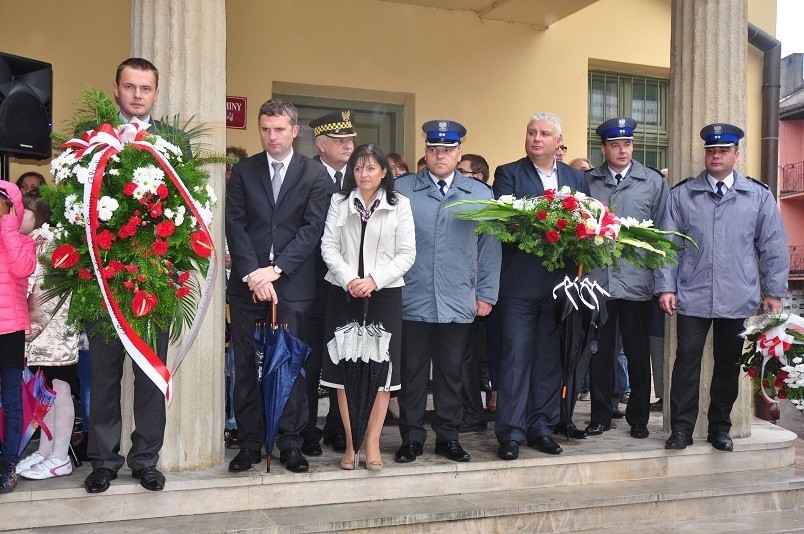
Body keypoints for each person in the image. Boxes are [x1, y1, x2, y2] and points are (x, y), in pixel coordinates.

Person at [656, 123, 789, 452]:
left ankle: (720, 427)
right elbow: (668, 247)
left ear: (736, 154)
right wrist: (665, 287)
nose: (716, 156)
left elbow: (772, 246)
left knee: (728, 365)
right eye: (711, 151)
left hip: (738, 295)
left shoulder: (757, 195)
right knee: (686, 362)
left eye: (723, 150)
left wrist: (773, 292)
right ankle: (682, 429)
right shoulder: (682, 194)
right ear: (706, 154)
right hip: (691, 294)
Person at [83, 57, 173, 494]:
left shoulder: (173, 143)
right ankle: (103, 460)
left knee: (150, 376)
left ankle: (145, 459)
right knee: (103, 375)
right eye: (130, 86)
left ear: (156, 93)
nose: (138, 95)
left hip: (151, 281)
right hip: (103, 279)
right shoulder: (91, 138)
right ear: (116, 88)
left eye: (146, 88)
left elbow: (189, 207)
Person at [226, 98, 329, 473]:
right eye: (266, 129)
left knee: (292, 368)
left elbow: (311, 229)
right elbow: (234, 224)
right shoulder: (243, 171)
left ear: (295, 131)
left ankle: (290, 443)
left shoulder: (314, 175)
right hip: (248, 288)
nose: (272, 137)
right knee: (247, 366)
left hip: (293, 288)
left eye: (280, 129)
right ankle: (251, 442)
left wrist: (277, 270)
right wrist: (254, 273)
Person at [393, 120, 501, 464]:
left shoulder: (481, 194)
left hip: (458, 298)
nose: (441, 155)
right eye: (434, 149)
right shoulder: (402, 189)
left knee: (452, 373)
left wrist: (486, 293)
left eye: (448, 150)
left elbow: (490, 249)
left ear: (458, 154)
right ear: (426, 152)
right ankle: (410, 438)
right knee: (411, 374)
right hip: (412, 296)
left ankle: (448, 437)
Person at [493, 112, 589, 460]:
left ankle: (542, 428)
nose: (536, 138)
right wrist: (550, 222)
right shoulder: (508, 174)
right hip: (518, 284)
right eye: (531, 132)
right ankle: (511, 433)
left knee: (550, 360)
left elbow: (588, 227)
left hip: (560, 286)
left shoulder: (577, 177)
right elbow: (509, 222)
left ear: (558, 142)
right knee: (516, 358)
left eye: (544, 133)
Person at [320, 143, 416, 470]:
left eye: (371, 168)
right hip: (344, 292)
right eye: (358, 168)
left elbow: (407, 253)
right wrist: (350, 277)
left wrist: (374, 279)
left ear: (384, 172)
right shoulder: (338, 202)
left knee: (380, 372)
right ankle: (352, 442)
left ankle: (372, 442)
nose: (364, 174)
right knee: (346, 371)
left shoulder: (400, 204)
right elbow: (329, 246)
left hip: (385, 294)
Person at [585, 117, 668, 440]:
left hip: (637, 283)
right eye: (616, 145)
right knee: (600, 353)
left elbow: (662, 235)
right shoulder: (588, 182)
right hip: (598, 283)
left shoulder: (651, 181)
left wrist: (661, 283)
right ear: (603, 148)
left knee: (637, 352)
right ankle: (600, 416)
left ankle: (639, 418)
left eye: (628, 144)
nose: (623, 150)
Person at [302, 110, 358, 457]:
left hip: (349, 287)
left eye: (350, 140)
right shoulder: (305, 174)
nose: (348, 146)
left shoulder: (363, 176)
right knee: (309, 363)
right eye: (340, 141)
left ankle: (338, 428)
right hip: (311, 285)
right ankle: (307, 429)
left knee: (345, 360)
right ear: (321, 144)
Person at [16, 195, 79, 480]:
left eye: (23, 211)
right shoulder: (36, 242)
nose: (17, 216)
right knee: (45, 394)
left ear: (39, 215)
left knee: (60, 391)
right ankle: (46, 450)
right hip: (41, 337)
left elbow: (44, 298)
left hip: (54, 334)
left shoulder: (48, 245)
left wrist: (26, 332)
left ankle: (60, 457)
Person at [0, 181, 37, 494]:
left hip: (9, 332)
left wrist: (9, 229)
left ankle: (7, 462)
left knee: (12, 402)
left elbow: (22, 269)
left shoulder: (23, 242)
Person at [224, 146, 248, 449]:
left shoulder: (245, 201)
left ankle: (235, 423)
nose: (230, 173)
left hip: (242, 286)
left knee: (236, 362)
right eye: (226, 167)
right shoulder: (212, 199)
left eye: (234, 168)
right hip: (215, 292)